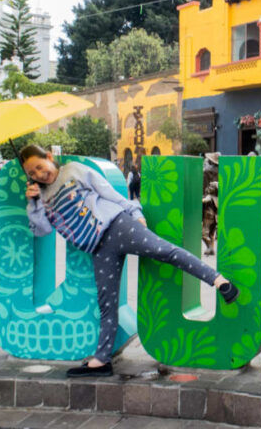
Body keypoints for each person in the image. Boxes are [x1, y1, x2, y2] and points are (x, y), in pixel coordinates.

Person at [20, 145, 239, 378]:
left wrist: (136, 214)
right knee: (107, 302)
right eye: (32, 173)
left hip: (118, 226)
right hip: (98, 248)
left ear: (50, 158)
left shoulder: (73, 170)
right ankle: (102, 359)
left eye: (39, 167)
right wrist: (33, 203)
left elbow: (109, 194)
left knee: (167, 252)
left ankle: (219, 281)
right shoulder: (40, 198)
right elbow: (41, 230)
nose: (38, 175)